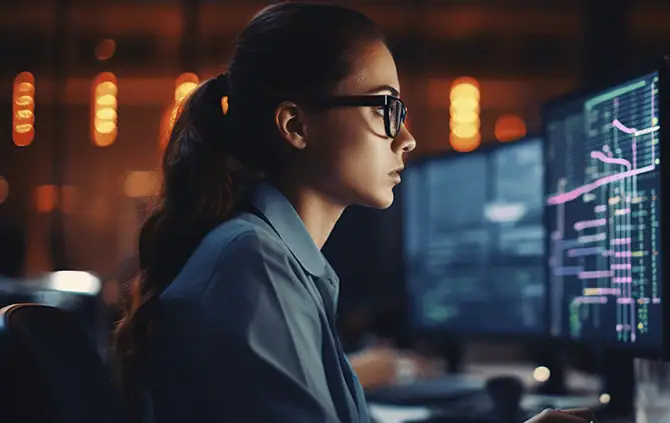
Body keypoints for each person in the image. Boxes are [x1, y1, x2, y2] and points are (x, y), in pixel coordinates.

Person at [112, 3, 594, 423]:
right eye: (386, 107)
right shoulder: (253, 266)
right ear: (296, 125)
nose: (405, 139)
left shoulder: (271, 260)